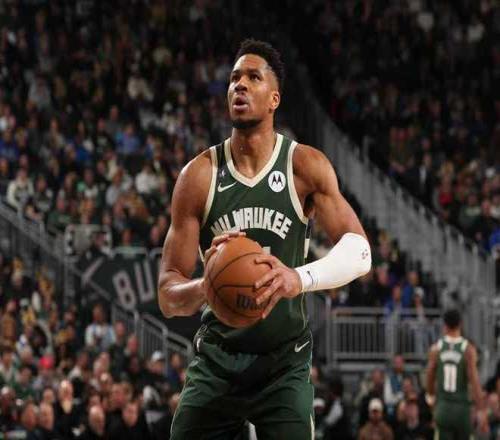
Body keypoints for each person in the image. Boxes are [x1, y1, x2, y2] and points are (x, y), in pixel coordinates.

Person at [157, 39, 371, 439]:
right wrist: (207, 285)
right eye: (234, 78)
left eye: (253, 77)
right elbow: (168, 296)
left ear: (274, 99)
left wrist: (297, 278)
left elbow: (360, 251)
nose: (239, 84)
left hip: (282, 363)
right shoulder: (198, 176)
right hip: (218, 360)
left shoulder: (304, 165)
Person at [426, 309, 488, 439]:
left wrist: (430, 397)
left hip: (443, 407)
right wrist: (481, 409)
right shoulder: (468, 349)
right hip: (462, 409)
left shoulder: (436, 348)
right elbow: (474, 381)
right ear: (460, 324)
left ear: (444, 325)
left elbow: (430, 374)